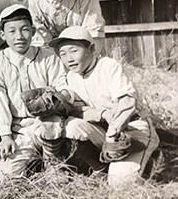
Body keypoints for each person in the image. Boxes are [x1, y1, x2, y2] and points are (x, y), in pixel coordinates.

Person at [0, 4, 102, 181]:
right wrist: (6, 136)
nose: (19, 37)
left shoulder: (47, 56)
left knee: (53, 123)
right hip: (19, 128)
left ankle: (54, 164)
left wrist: (57, 95)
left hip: (47, 122)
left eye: (24, 30)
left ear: (32, 31)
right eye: (12, 31)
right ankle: (37, 163)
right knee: (7, 175)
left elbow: (64, 86)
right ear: (2, 35)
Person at [48, 26, 159, 187]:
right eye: (63, 54)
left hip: (134, 127)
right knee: (71, 126)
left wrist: (112, 132)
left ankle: (149, 157)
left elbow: (127, 103)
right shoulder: (72, 77)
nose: (69, 59)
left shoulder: (108, 66)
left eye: (73, 51)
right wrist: (102, 114)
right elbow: (78, 110)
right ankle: (101, 168)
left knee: (121, 183)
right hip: (105, 130)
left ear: (91, 49)